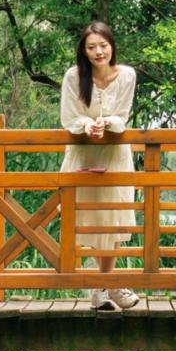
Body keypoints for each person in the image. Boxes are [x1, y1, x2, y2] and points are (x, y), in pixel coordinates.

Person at [60, 21, 139, 312]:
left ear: (112, 46)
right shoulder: (73, 76)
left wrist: (107, 123)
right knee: (91, 220)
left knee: (114, 219)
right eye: (91, 47)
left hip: (115, 154)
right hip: (84, 154)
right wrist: (87, 125)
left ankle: (104, 287)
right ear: (83, 50)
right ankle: (106, 286)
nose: (98, 52)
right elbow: (70, 116)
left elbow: (122, 115)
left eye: (102, 45)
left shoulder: (127, 75)